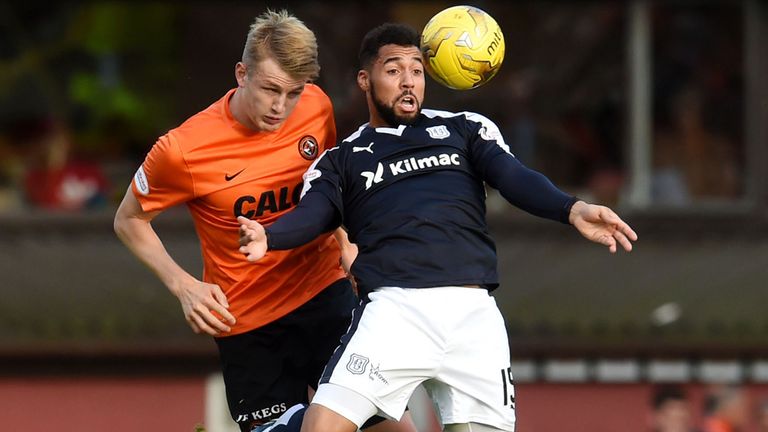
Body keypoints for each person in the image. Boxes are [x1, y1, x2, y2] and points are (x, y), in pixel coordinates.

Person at [237, 23, 638, 432]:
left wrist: (571, 209)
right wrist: (271, 236)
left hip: (474, 318)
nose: (408, 81)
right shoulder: (342, 159)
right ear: (365, 79)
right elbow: (313, 215)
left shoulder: (465, 129)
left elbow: (513, 177)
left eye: (416, 70)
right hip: (396, 312)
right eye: (393, 71)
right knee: (321, 427)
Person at [113, 11, 415, 432]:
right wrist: (184, 286)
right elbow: (129, 220)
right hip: (250, 327)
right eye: (270, 89)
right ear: (241, 73)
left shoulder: (316, 107)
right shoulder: (182, 149)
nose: (280, 106)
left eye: (293, 92)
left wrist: (347, 245)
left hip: (325, 296)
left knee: (397, 429)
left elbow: (327, 191)